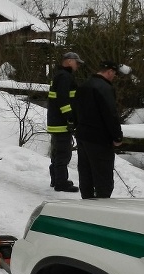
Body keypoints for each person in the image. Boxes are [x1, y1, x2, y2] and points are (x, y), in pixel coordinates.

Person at [75, 61, 125, 199]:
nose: (114, 77)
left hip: (82, 135)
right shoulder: (104, 88)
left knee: (86, 172)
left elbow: (75, 110)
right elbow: (110, 114)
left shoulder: (84, 85)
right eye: (114, 74)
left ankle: (87, 200)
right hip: (99, 138)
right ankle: (102, 205)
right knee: (103, 176)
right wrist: (117, 137)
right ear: (109, 71)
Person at [46, 51, 82, 192]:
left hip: (56, 122)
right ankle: (61, 182)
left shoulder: (59, 76)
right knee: (63, 153)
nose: (77, 65)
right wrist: (70, 118)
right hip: (61, 123)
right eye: (76, 62)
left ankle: (56, 179)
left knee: (57, 152)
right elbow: (63, 100)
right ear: (68, 61)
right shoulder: (64, 77)